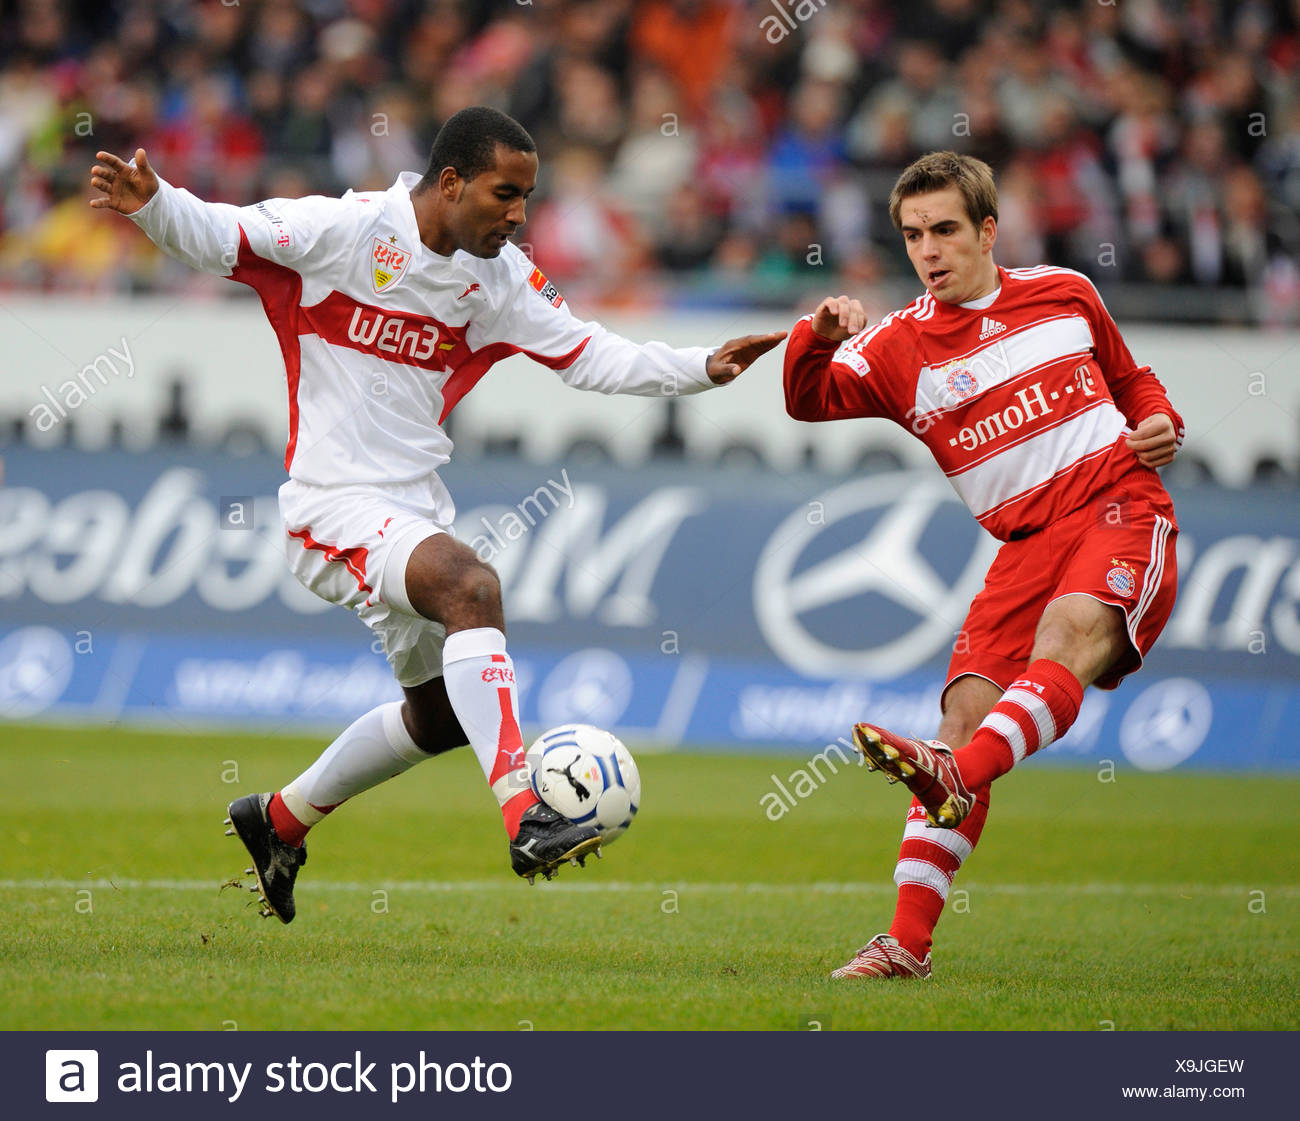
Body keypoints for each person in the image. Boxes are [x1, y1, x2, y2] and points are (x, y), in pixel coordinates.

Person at [90, 106, 784, 924]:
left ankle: (278, 820)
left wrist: (701, 365)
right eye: (505, 193)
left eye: (527, 197)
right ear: (450, 182)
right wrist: (154, 200)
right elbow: (221, 235)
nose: (519, 215)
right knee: (472, 586)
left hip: (412, 506)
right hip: (330, 506)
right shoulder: (343, 229)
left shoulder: (499, 279)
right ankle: (527, 811)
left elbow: (590, 352)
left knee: (442, 717)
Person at [783, 151, 1182, 979]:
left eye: (945, 230)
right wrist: (813, 337)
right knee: (963, 710)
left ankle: (952, 776)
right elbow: (808, 397)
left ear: (988, 229)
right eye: (913, 235)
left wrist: (1160, 421)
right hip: (1021, 545)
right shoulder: (895, 346)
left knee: (1068, 633)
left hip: (1116, 506)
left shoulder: (1067, 293)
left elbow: (1133, 381)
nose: (929, 250)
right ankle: (905, 946)